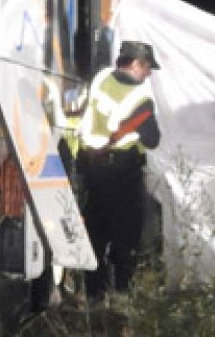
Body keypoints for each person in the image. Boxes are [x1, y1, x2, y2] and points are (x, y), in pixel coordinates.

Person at [77, 39, 162, 296]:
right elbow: (152, 140)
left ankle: (94, 294)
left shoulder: (101, 78)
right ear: (136, 64)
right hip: (122, 172)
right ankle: (123, 295)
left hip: (91, 167)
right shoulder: (141, 98)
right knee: (127, 236)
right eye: (147, 68)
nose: (148, 74)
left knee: (95, 232)